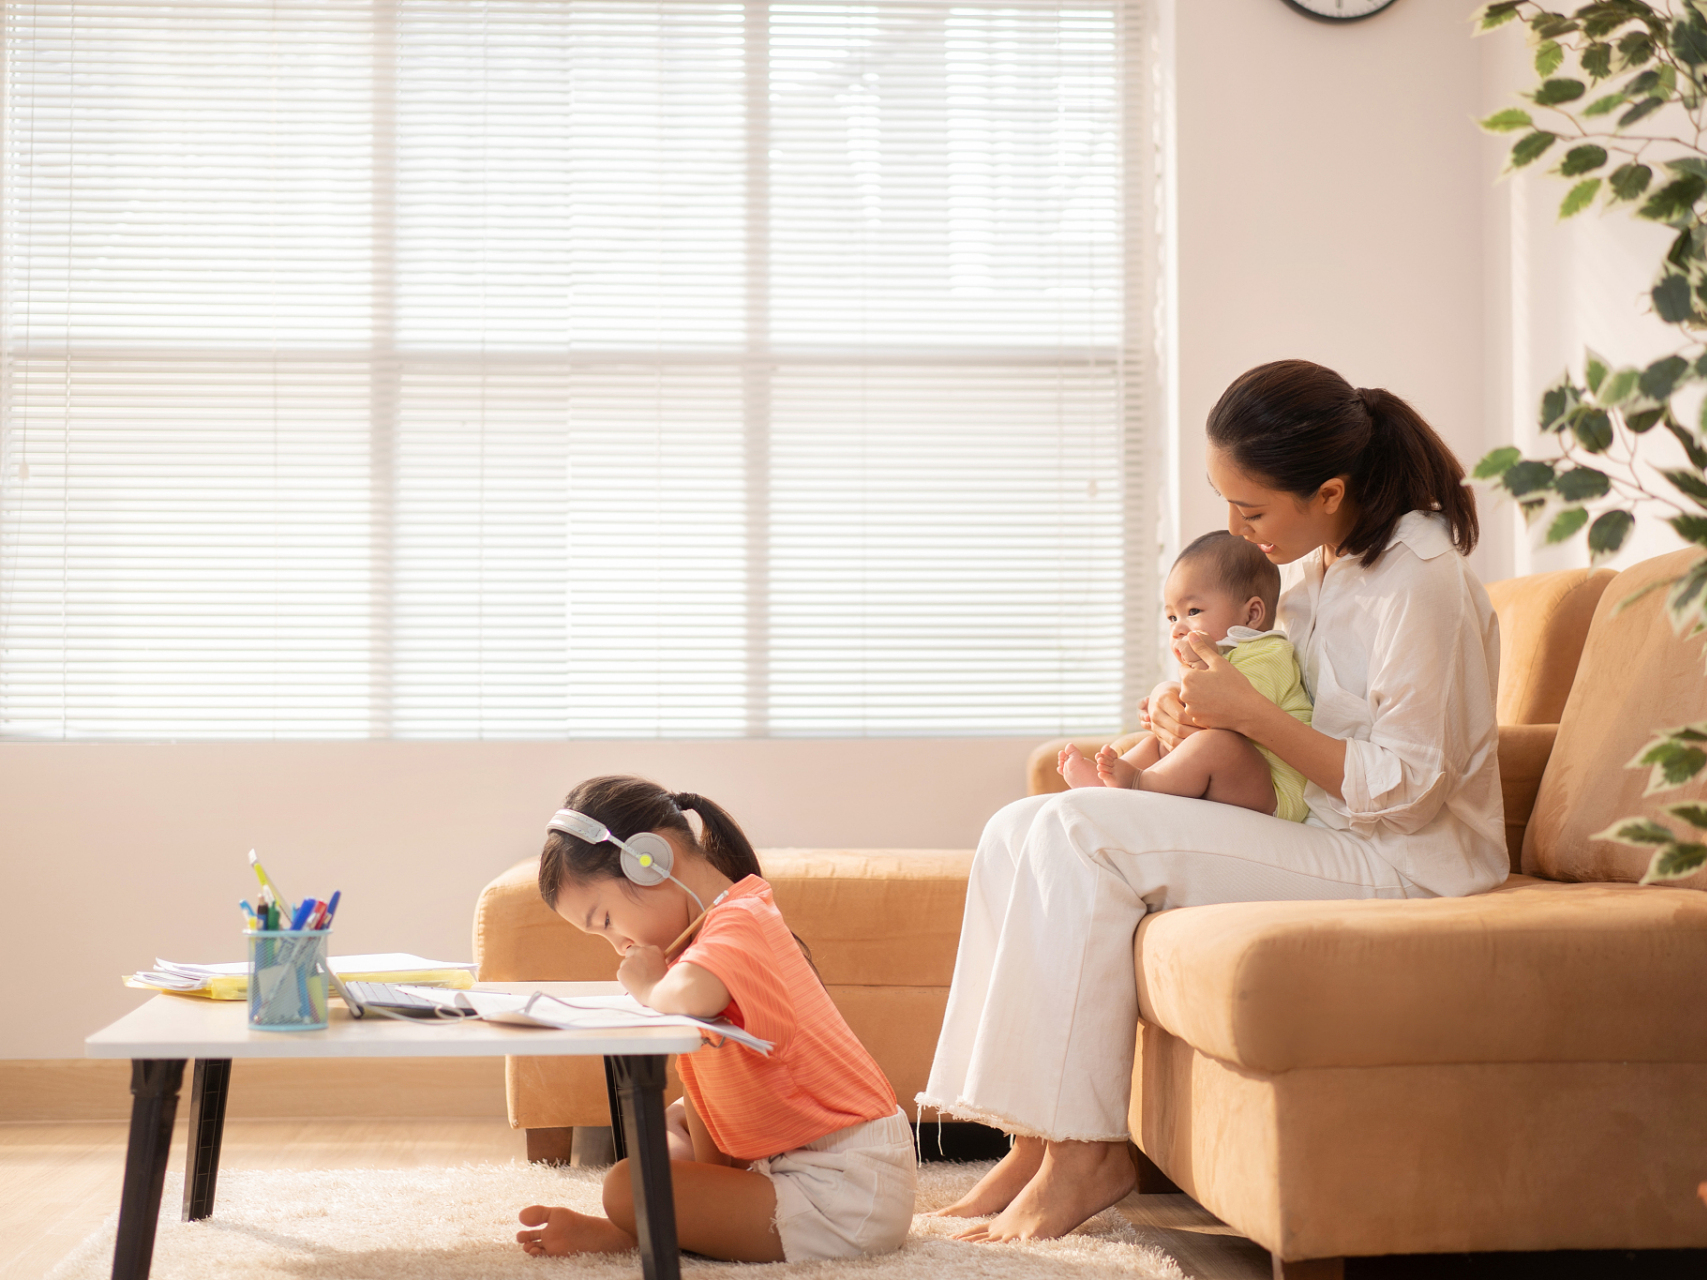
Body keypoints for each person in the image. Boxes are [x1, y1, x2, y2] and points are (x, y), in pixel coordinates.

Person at [918, 359, 1508, 1242]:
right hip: (1323, 826)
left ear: (1332, 489)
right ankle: (1034, 1139)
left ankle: (1089, 1154)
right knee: (1021, 825)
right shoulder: (1326, 572)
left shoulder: (1423, 581)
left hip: (1403, 862)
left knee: (1080, 834)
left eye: (1253, 510)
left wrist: (1251, 717)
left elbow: (1411, 789)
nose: (1235, 528)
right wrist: (1192, 706)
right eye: (1225, 501)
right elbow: (1268, 705)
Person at [515, 775, 916, 1263]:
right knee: (667, 1125)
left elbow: (689, 994)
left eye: (606, 921)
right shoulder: (712, 928)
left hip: (843, 1190)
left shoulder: (739, 920)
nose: (618, 945)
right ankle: (689, 1217)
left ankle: (634, 1231)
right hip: (791, 1159)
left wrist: (647, 986)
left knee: (627, 1185)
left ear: (651, 861)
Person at [1058, 529, 1313, 817]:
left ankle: (1138, 782)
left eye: (1192, 611)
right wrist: (1162, 710)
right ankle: (1104, 786)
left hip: (1275, 788)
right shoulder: (1223, 656)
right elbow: (1191, 718)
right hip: (1230, 778)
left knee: (1216, 744)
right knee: (1161, 741)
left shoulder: (1268, 653)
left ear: (1251, 615)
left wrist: (1194, 676)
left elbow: (1231, 712)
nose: (1178, 627)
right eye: (1171, 617)